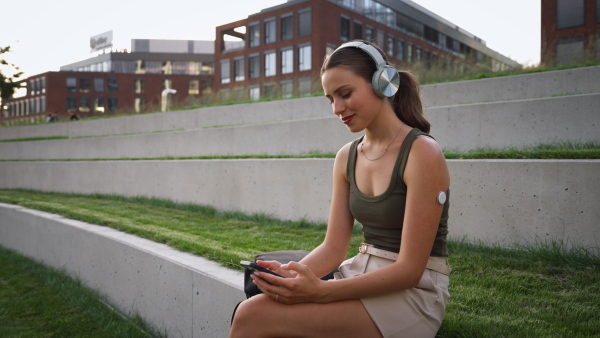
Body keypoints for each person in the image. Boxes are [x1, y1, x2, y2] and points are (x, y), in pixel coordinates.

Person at [230, 39, 451, 338]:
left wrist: (321, 291)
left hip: (413, 293)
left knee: (251, 314)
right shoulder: (347, 156)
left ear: (381, 82)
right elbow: (334, 247)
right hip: (359, 272)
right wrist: (292, 275)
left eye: (345, 94)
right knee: (262, 301)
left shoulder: (422, 153)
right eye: (330, 99)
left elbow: (410, 270)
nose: (337, 108)